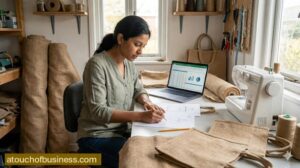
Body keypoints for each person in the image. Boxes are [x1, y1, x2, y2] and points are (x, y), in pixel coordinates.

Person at [77, 15, 165, 168]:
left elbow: (138, 89)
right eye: (137, 44)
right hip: (96, 136)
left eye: (143, 46)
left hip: (122, 131)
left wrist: (146, 102)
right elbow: (99, 112)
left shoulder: (128, 64)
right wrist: (141, 116)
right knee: (144, 161)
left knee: (157, 150)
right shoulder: (97, 65)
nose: (140, 51)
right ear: (120, 39)